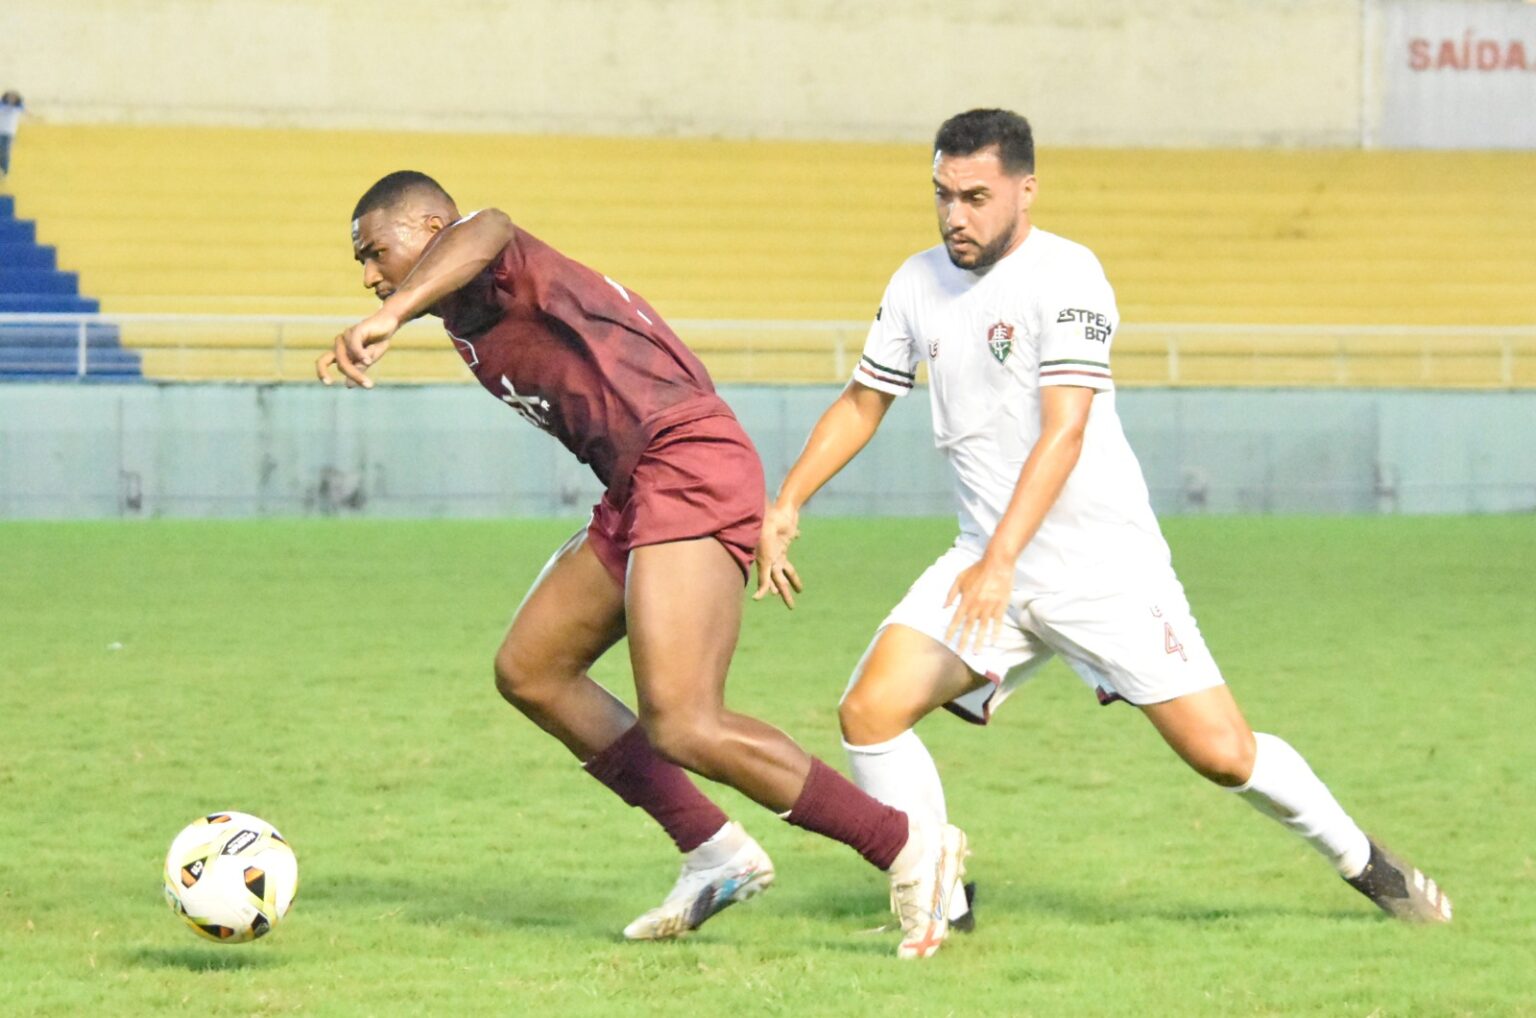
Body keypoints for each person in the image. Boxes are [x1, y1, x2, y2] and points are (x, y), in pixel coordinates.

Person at [755, 109, 1452, 928]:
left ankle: (1365, 864)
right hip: (988, 562)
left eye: (975, 197)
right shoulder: (915, 282)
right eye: (942, 195)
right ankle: (938, 899)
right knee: (869, 712)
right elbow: (866, 398)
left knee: (1222, 754)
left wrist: (1006, 559)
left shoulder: (1070, 276)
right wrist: (788, 499)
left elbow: (1066, 430)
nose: (954, 216)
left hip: (1099, 570)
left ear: (1026, 189)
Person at [315, 171, 968, 958]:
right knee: (532, 668)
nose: (368, 273)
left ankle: (909, 848)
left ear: (428, 224)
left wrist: (388, 312)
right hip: (638, 483)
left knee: (686, 721)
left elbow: (486, 226)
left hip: (685, 460)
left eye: (376, 252)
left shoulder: (490, 249)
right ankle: (713, 851)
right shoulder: (462, 314)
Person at [0, 92, 24, 178]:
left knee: (5, 152)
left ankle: (5, 171)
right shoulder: (2, 106)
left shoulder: (17, 108)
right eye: (9, 97)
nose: (11, 99)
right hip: (0, 132)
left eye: (13, 98)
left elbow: (24, 110)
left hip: (9, 133)